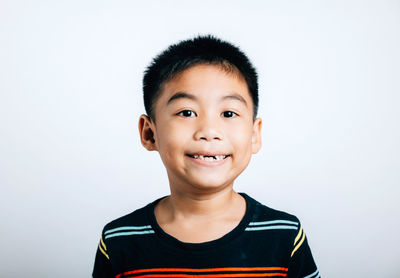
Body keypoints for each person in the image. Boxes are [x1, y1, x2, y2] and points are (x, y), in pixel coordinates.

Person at [92, 35, 320, 278]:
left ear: (254, 135)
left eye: (229, 113)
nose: (209, 131)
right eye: (187, 112)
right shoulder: (119, 241)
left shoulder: (284, 235)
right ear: (150, 133)